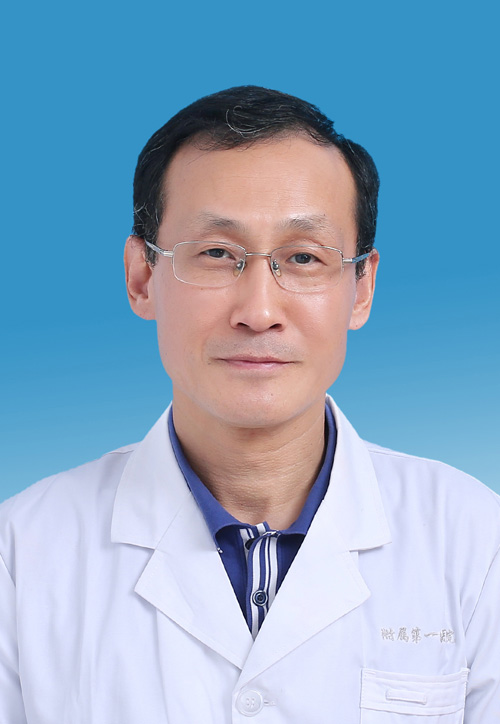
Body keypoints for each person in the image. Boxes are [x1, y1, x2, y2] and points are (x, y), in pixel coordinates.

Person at [0, 86, 498, 723]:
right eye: (216, 254)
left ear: (361, 288)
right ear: (141, 277)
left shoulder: (476, 543)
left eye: (303, 257)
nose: (259, 311)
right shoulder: (23, 556)